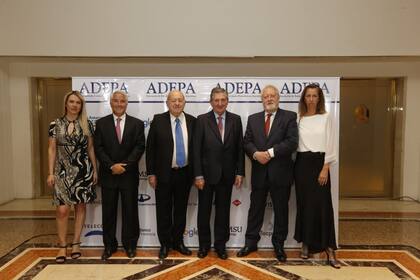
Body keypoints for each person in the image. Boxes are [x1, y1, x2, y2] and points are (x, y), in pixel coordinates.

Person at [237, 85, 298, 262]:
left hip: (281, 173)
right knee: (255, 209)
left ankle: (279, 244)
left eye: (272, 96)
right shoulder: (253, 119)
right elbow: (246, 142)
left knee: (281, 210)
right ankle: (250, 242)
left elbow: (292, 142)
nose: (269, 99)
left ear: (278, 98)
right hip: (259, 173)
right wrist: (256, 154)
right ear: (262, 99)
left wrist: (270, 153)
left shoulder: (289, 117)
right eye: (266, 96)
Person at [193, 87, 245, 260]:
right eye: (217, 100)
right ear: (211, 102)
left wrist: (240, 172)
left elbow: (239, 149)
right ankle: (204, 245)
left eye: (223, 100)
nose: (220, 103)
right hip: (206, 177)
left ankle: (221, 246)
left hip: (227, 175)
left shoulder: (236, 120)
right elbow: (196, 151)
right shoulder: (201, 120)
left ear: (227, 101)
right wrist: (198, 175)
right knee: (204, 212)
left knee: (223, 213)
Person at [47, 90, 98, 263]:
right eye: (72, 102)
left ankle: (76, 243)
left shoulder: (87, 124)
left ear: (81, 106)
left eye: (78, 102)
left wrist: (95, 170)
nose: (75, 105)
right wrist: (50, 172)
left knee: (80, 207)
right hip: (61, 171)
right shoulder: (55, 124)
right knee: (62, 210)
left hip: (83, 170)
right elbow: (52, 149)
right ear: (66, 103)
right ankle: (62, 246)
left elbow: (91, 149)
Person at [94, 90, 145, 260]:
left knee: (130, 213)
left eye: (122, 101)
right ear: (110, 102)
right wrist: (111, 166)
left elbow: (139, 147)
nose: (119, 104)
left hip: (128, 175)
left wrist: (126, 166)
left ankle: (130, 245)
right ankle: (109, 246)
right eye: (115, 101)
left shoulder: (137, 124)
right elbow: (98, 148)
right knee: (108, 213)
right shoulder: (101, 124)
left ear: (126, 103)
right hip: (108, 176)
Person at [293, 84, 340, 268]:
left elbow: (331, 143)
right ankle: (306, 243)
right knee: (304, 205)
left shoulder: (326, 117)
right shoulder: (298, 118)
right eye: (308, 96)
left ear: (319, 98)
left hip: (320, 164)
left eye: (314, 96)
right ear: (304, 99)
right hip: (302, 166)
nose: (311, 99)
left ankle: (329, 249)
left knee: (323, 206)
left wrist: (325, 168)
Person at [146, 90, 196, 259]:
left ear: (184, 103)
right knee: (163, 211)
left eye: (180, 100)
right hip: (163, 175)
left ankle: (178, 242)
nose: (177, 103)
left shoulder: (192, 121)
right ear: (167, 103)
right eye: (173, 100)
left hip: (185, 174)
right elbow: (150, 149)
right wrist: (151, 173)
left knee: (181, 211)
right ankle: (165, 244)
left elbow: (196, 151)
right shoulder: (158, 120)